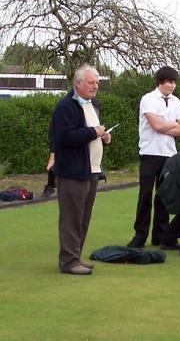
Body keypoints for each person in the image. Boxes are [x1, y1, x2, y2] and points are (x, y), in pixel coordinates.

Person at [51, 64, 111, 275]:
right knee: (71, 218)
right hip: (72, 172)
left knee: (84, 217)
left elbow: (90, 134)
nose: (96, 86)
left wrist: (103, 137)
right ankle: (68, 262)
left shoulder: (94, 105)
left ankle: (75, 257)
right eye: (91, 82)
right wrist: (93, 132)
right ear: (78, 83)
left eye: (97, 82)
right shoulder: (65, 107)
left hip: (92, 170)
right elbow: (64, 138)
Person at [127, 66, 180, 248]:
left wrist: (166, 125)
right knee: (145, 196)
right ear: (161, 81)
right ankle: (140, 236)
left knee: (163, 196)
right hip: (149, 153)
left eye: (174, 82)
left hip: (169, 155)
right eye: (169, 81)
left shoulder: (176, 102)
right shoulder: (148, 99)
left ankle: (160, 236)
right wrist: (172, 126)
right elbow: (155, 126)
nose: (173, 85)